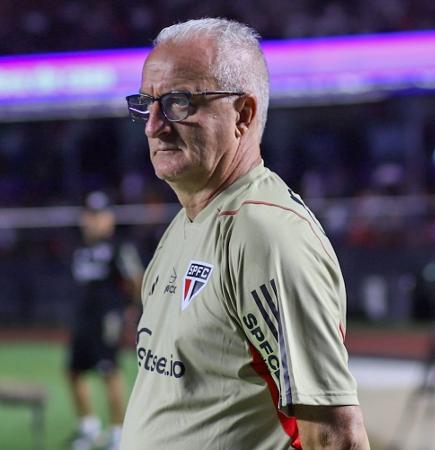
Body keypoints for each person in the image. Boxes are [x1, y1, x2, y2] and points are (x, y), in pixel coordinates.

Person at [121, 18, 370, 450]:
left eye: (179, 102)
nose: (153, 124)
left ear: (243, 114)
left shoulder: (265, 234)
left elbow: (335, 437)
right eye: (147, 102)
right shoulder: (191, 217)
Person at [68, 191, 143, 450]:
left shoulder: (119, 246)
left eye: (99, 216)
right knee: (73, 371)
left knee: (108, 371)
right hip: (83, 319)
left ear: (109, 218)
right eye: (90, 215)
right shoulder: (79, 246)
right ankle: (89, 428)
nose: (93, 221)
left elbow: (136, 278)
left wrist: (131, 308)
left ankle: (118, 432)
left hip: (107, 319)